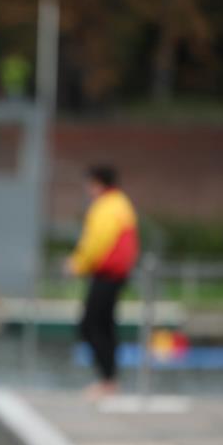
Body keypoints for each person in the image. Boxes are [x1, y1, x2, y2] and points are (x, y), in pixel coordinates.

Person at [66, 164, 139, 400]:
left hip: (107, 273)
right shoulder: (121, 203)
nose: (88, 189)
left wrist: (78, 264)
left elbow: (97, 241)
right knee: (105, 326)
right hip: (116, 273)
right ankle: (110, 380)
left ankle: (107, 380)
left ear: (98, 183)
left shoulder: (105, 207)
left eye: (90, 183)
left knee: (90, 325)